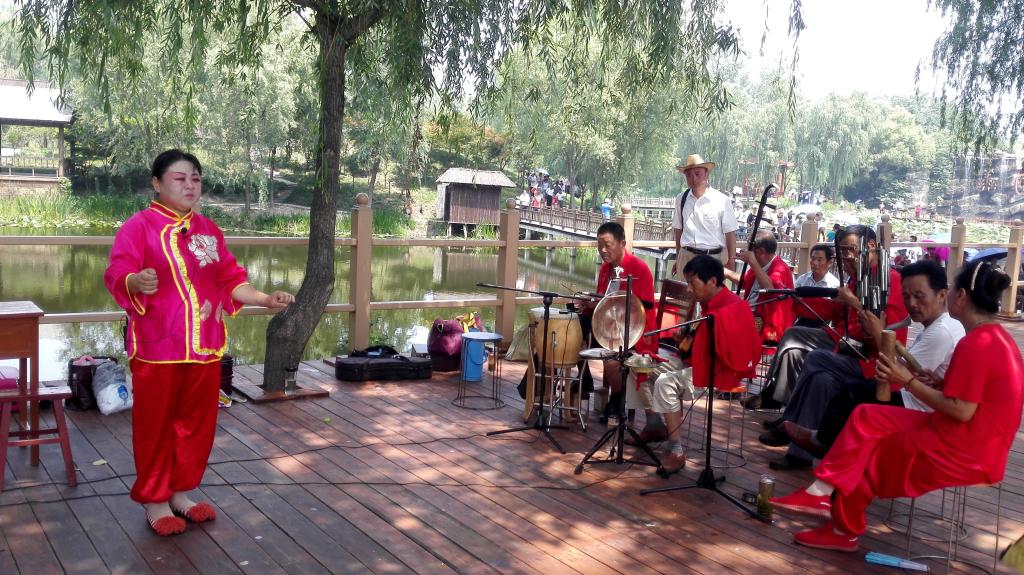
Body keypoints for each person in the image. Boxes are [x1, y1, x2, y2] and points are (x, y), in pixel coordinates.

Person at [104, 149, 295, 536]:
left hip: (205, 345)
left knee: (195, 424)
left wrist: (263, 299)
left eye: (195, 178)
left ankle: (179, 492)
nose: (189, 185)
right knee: (156, 425)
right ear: (157, 183)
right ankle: (156, 500)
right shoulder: (138, 228)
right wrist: (134, 281)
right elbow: (117, 271)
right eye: (179, 178)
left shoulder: (208, 230)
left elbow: (230, 279)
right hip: (158, 348)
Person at [771, 259, 1022, 553]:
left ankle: (843, 529)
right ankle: (821, 490)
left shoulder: (976, 344)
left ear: (961, 296)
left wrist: (909, 381)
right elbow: (974, 398)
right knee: (865, 415)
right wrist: (940, 382)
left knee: (870, 452)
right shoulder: (995, 337)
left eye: (952, 289)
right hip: (959, 432)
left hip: (965, 446)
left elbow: (962, 410)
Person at [783, 260, 965, 458]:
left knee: (847, 388)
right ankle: (814, 440)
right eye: (906, 297)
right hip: (879, 367)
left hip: (911, 401)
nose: (912, 303)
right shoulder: (942, 325)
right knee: (824, 377)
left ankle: (824, 444)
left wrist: (874, 327)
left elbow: (898, 370)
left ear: (942, 295)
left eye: (919, 296)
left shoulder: (941, 330)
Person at [744, 225, 909, 415]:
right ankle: (783, 407)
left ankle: (776, 401)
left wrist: (852, 301)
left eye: (850, 250)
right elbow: (837, 311)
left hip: (863, 352)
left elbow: (882, 329)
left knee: (795, 338)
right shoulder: (859, 276)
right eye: (842, 252)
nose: (846, 257)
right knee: (793, 351)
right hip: (845, 338)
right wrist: (797, 300)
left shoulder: (888, 279)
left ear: (871, 245)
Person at [650, 255, 761, 472]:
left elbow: (741, 352)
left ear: (712, 281)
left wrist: (696, 345)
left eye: (693, 283)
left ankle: (676, 450)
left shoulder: (733, 307)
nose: (689, 289)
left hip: (719, 372)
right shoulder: (707, 304)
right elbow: (696, 347)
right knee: (643, 366)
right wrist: (684, 342)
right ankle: (653, 424)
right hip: (698, 364)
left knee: (665, 382)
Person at [576, 222, 666, 440]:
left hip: (635, 332)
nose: (603, 250)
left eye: (607, 245)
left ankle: (617, 400)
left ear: (622, 243)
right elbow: (604, 301)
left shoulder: (638, 268)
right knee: (573, 329)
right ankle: (584, 380)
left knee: (612, 360)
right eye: (599, 245)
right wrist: (590, 303)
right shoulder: (605, 269)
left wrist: (604, 305)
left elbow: (640, 308)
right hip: (611, 327)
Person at [672, 154, 738, 278]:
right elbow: (678, 230)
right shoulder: (681, 199)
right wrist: (678, 257)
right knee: (685, 290)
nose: (693, 178)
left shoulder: (722, 200)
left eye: (697, 174)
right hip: (686, 257)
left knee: (712, 291)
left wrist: (731, 260)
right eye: (689, 175)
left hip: (712, 258)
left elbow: (730, 233)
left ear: (706, 174)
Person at [725, 230, 795, 344]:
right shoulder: (759, 266)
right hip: (751, 314)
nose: (749, 253)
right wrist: (725, 272)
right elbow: (746, 281)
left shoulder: (781, 268)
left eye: (751, 251)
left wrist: (752, 261)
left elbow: (770, 288)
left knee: (725, 327)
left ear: (761, 251)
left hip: (767, 325)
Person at [790, 244, 841, 329]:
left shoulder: (835, 285)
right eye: (813, 259)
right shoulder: (802, 279)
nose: (814, 263)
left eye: (819, 260)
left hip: (823, 326)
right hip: (801, 322)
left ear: (829, 263)